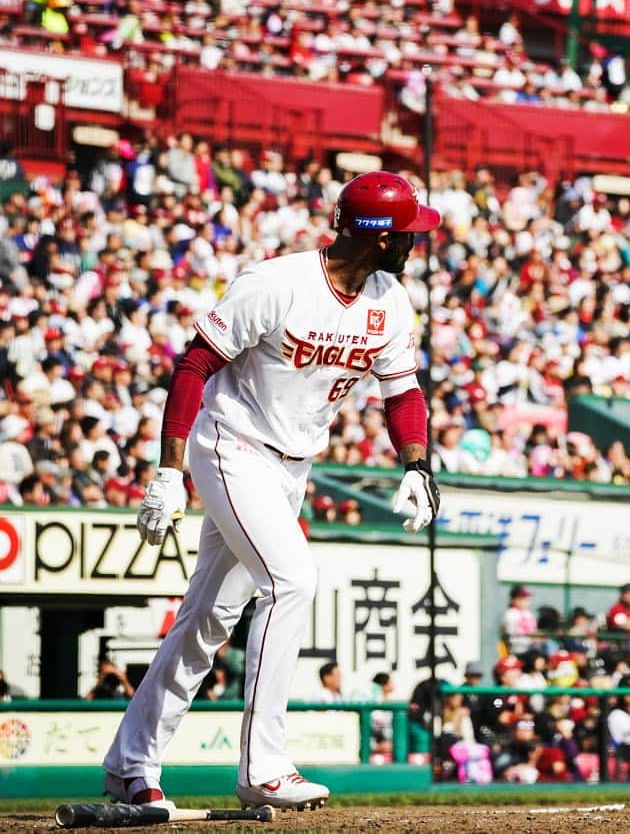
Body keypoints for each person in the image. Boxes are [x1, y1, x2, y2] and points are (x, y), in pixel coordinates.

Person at [100, 172, 442, 811]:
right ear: (377, 236)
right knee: (292, 581)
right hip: (232, 447)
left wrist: (416, 466)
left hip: (291, 468)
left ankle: (130, 764)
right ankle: (265, 766)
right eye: (406, 232)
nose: (414, 242)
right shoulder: (277, 283)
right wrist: (169, 470)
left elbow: (403, 392)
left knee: (208, 618)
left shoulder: (389, 297)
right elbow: (194, 364)